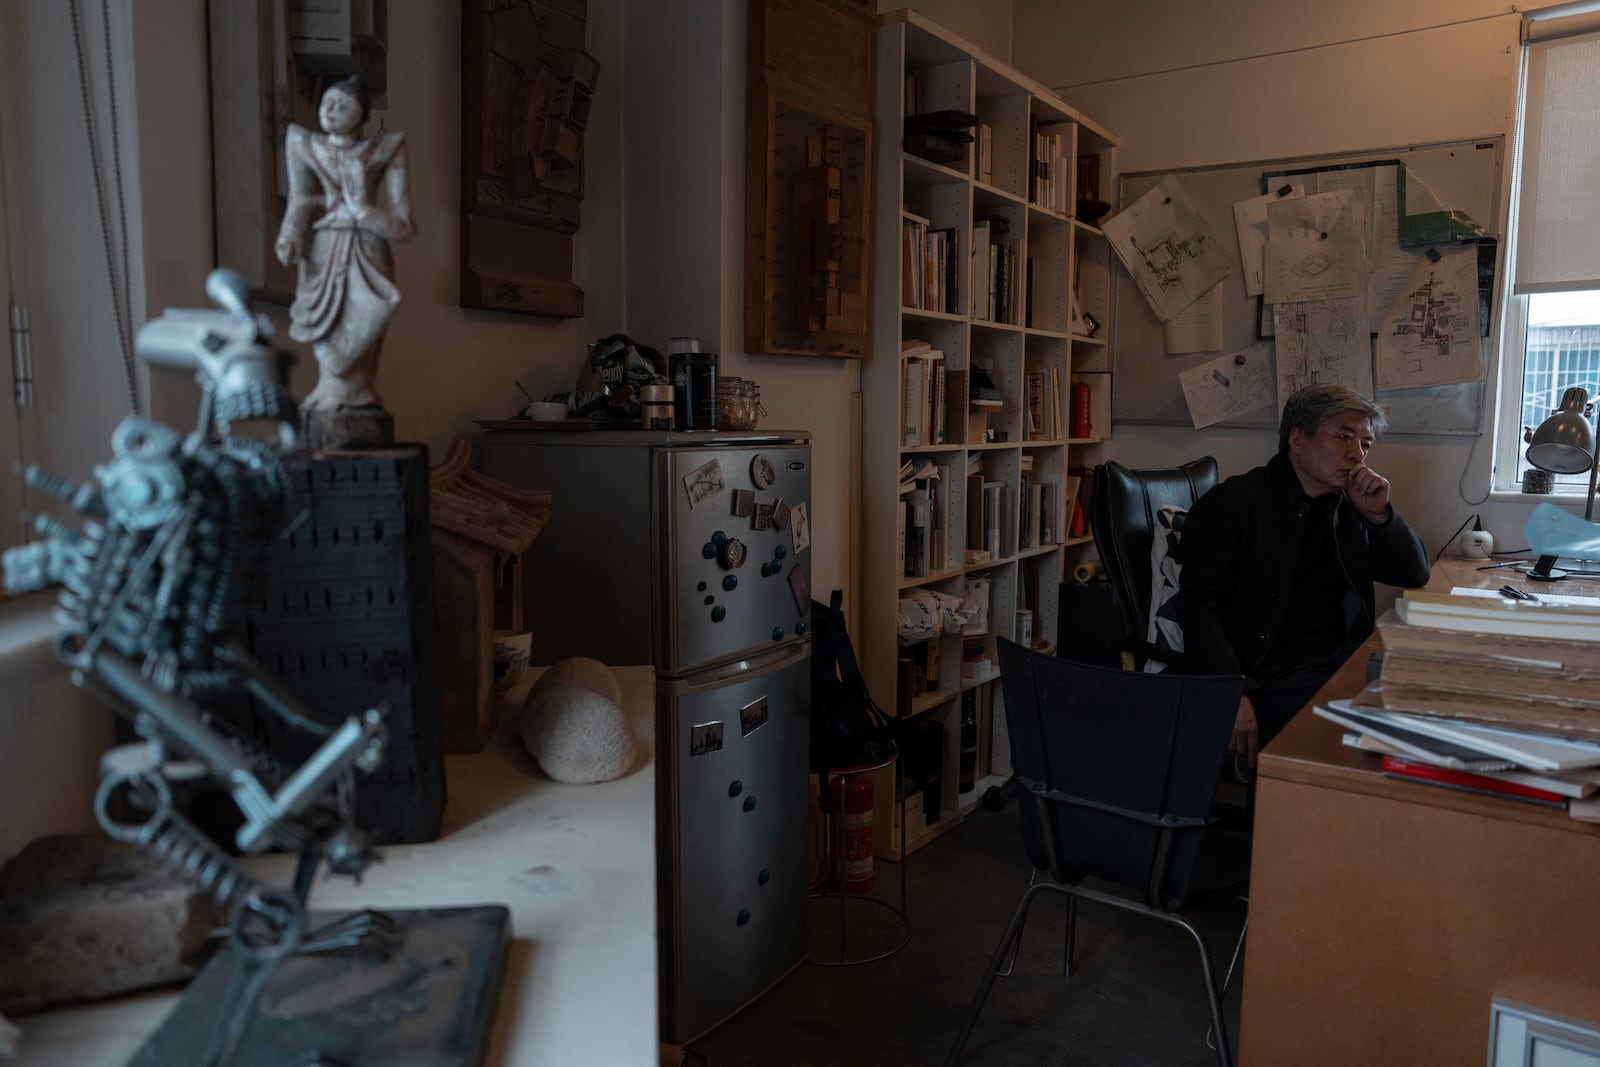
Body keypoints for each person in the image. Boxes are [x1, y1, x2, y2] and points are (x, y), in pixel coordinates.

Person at [1170, 383, 1431, 765]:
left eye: (1365, 444)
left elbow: (1414, 572)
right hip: (1266, 678)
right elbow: (1196, 608)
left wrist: (1379, 514)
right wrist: (1230, 691)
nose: (1357, 454)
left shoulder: (1346, 506)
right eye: (1344, 436)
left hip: (1336, 667)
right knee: (1387, 748)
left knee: (1432, 705)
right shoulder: (1235, 503)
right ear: (1297, 439)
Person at [275, 74, 415, 413]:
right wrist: (290, 233)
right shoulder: (303, 144)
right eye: (327, 102)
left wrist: (365, 212)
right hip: (325, 247)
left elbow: (403, 227)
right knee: (324, 319)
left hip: (368, 248)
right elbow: (302, 198)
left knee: (368, 316)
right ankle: (329, 389)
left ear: (364, 115)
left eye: (343, 104)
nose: (332, 109)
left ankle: (358, 392)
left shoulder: (387, 148)